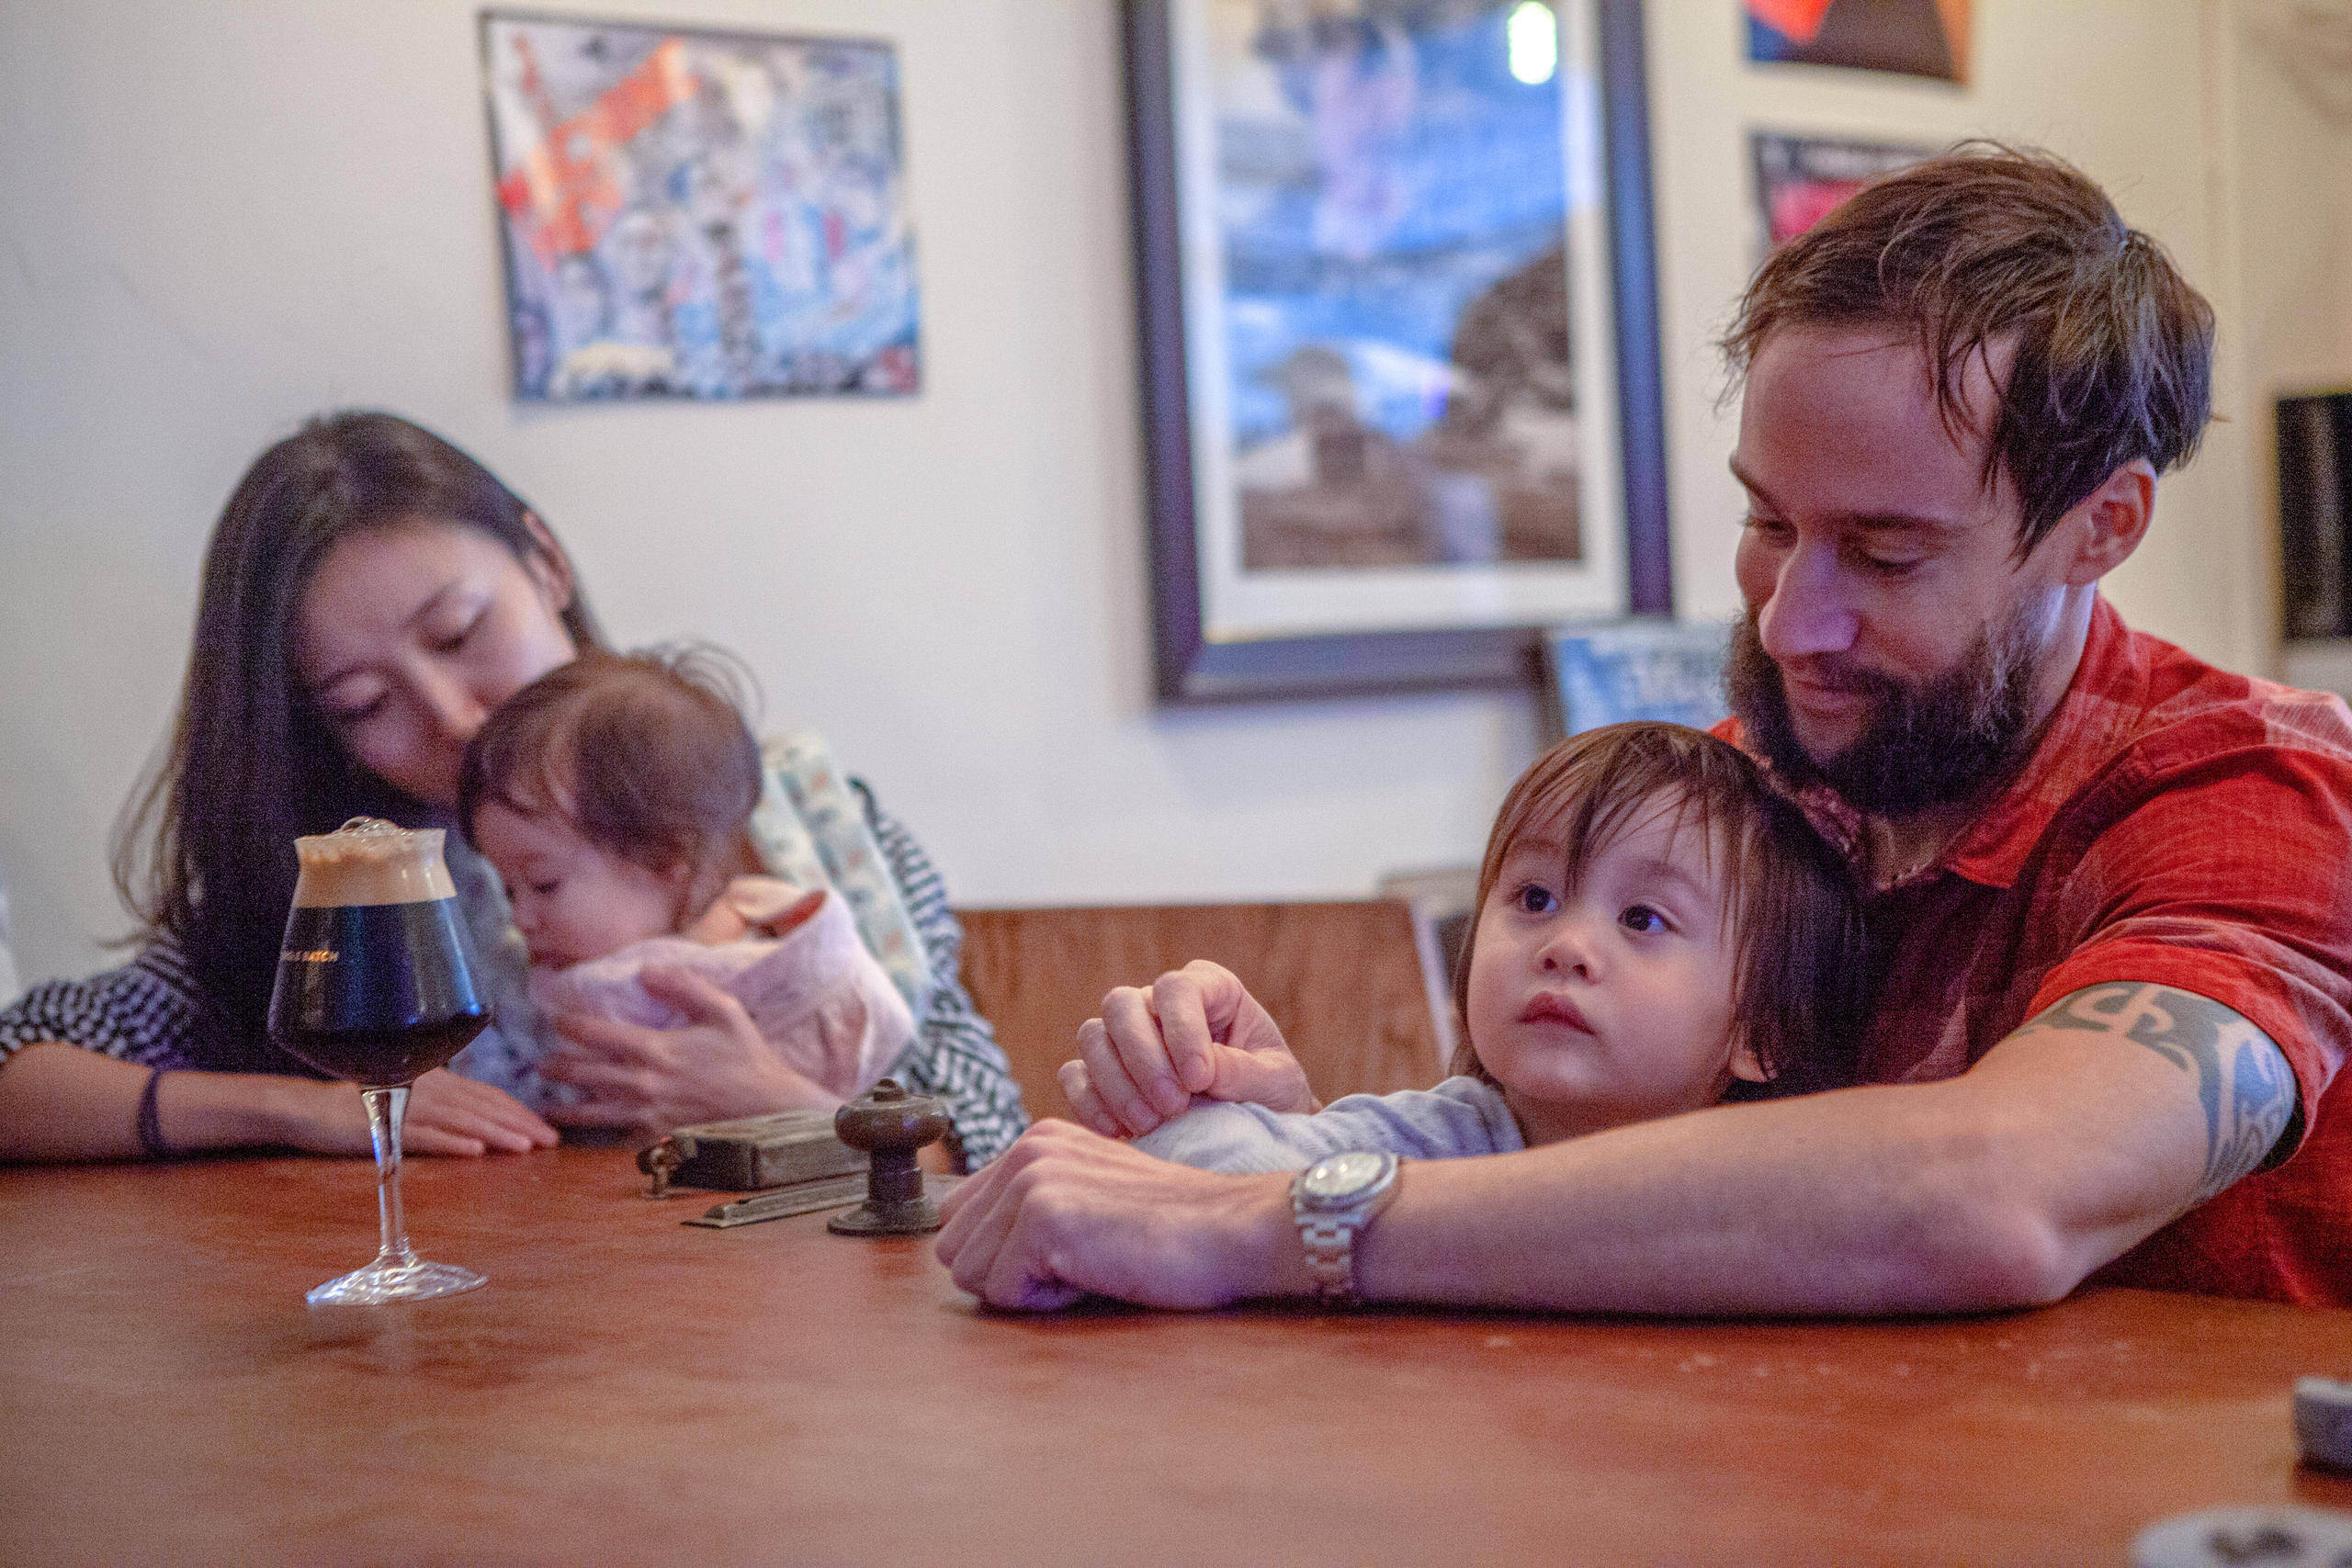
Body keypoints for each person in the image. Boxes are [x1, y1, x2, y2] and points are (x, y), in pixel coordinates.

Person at [934, 144, 2352, 1314]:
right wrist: (1291, 1128)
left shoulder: (2252, 794)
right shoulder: (1761, 777)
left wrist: (1274, 1217)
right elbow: (1611, 1161)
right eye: (1766, 519)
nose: (1794, 622)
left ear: (2099, 527)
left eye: (1887, 552)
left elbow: (1987, 1192)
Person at [0, 411, 1026, 1167]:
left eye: (459, 634)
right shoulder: (346, 895)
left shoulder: (808, 828)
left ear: (544, 561)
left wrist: (785, 1108)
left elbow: (987, 1130)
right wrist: (303, 1107)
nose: (449, 713)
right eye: (362, 702)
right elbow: (20, 1070)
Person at [1109, 722, 1867, 1172]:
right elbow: (1196, 1162)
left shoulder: (1768, 1189)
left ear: (1760, 1030)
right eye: (1535, 899)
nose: (1566, 945)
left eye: (1643, 919)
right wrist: (1185, 1094)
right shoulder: (1450, 1137)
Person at [458, 646, 913, 1104]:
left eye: (543, 885)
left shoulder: (773, 968)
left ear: (665, 856)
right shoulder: (535, 977)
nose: (520, 918)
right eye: (508, 889)